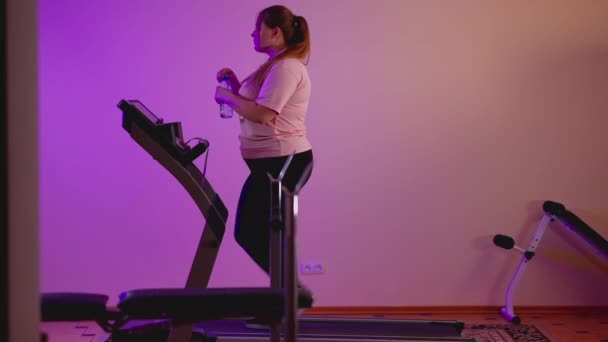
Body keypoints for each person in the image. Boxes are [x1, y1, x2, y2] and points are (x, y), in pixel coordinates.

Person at [214, 5, 313, 290]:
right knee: (262, 233)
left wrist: (226, 98)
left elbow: (263, 114)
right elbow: (257, 105)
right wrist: (233, 87)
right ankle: (287, 297)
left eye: (258, 28)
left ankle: (291, 295)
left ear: (276, 31)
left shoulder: (287, 67)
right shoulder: (275, 65)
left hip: (284, 162)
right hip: (272, 163)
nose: (253, 33)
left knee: (249, 232)